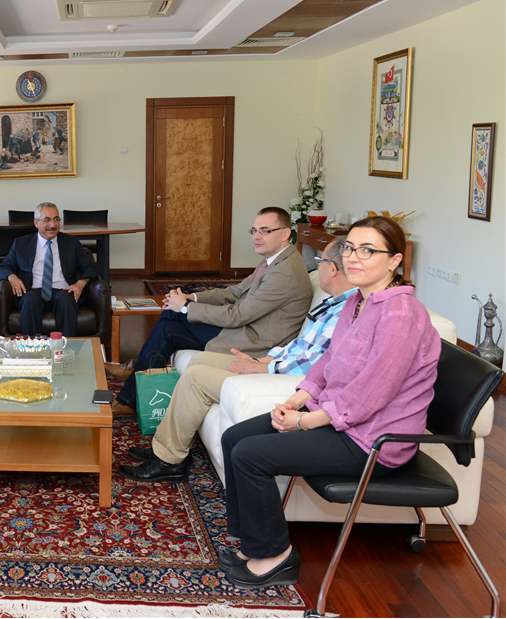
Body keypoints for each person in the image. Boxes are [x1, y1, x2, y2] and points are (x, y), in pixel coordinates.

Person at [219, 216, 440, 589]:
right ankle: (252, 543)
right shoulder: (357, 300)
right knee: (234, 438)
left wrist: (303, 422)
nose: (353, 257)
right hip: (339, 419)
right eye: (350, 248)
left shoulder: (401, 314)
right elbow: (329, 360)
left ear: (394, 260)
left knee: (250, 456)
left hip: (372, 440)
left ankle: (276, 556)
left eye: (367, 250)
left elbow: (371, 393)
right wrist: (297, 399)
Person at [120, 241, 355, 483]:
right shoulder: (334, 302)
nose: (316, 267)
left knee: (195, 377)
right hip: (275, 363)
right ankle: (171, 444)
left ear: (333, 269)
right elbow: (298, 347)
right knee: (198, 359)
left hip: (285, 379)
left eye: (320, 261)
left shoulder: (346, 312)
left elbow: (313, 366)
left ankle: (168, 461)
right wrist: (263, 359)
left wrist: (261, 367)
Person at [110, 207, 313, 418]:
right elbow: (235, 292)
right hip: (244, 330)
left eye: (265, 231)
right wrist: (191, 298)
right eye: (254, 230)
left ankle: (133, 383)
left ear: (285, 233)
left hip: (254, 342)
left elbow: (237, 316)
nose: (257, 237)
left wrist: (186, 307)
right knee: (170, 319)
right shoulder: (274, 260)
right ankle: (134, 382)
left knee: (171, 323)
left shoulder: (285, 272)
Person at [0, 202, 100, 337]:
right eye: (47, 220)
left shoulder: (71, 242)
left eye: (56, 219)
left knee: (66, 300)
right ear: (36, 222)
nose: (53, 224)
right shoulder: (21, 243)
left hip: (63, 290)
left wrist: (80, 283)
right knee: (29, 300)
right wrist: (12, 277)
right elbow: (2, 268)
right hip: (32, 291)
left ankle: (66, 347)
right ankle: (31, 347)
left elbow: (92, 267)